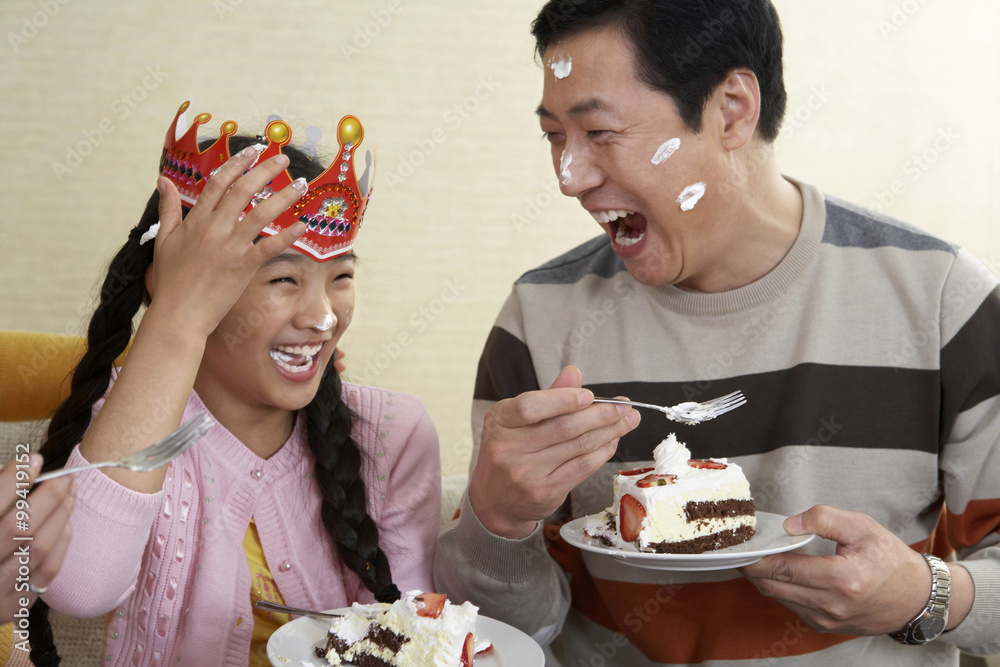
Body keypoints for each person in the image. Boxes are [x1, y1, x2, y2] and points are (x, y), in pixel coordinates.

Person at [434, 1, 1000, 665]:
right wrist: (495, 522)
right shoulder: (538, 319)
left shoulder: (941, 301)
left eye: (600, 132)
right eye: (555, 136)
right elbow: (517, 630)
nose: (570, 178)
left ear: (731, 110)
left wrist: (926, 595)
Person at [30, 104, 442, 667]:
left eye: (342, 276)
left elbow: (417, 633)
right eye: (283, 278)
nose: (323, 317)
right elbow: (81, 589)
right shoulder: (126, 430)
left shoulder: (392, 435)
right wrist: (175, 318)